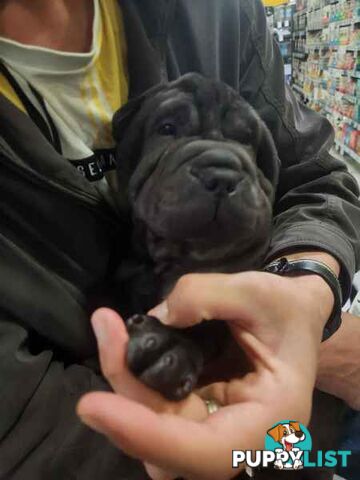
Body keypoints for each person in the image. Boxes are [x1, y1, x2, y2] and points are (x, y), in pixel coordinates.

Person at [0, 0, 359, 478]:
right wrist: (223, 447)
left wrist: (305, 290)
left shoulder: (214, 13)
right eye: (168, 130)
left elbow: (314, 177)